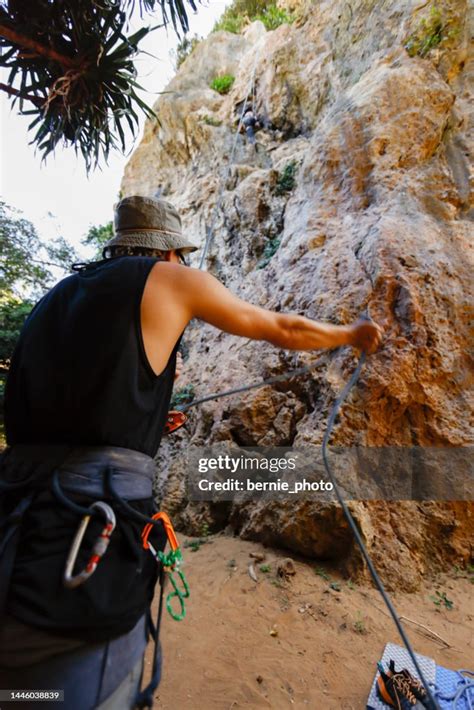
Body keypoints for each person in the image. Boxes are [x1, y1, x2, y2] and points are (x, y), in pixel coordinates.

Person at [0, 195, 383, 709]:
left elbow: (59, 411)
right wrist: (351, 334)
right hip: (86, 542)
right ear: (170, 252)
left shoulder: (53, 300)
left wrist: (148, 419)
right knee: (87, 689)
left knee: (19, 689)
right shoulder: (170, 280)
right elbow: (281, 328)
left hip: (13, 527)